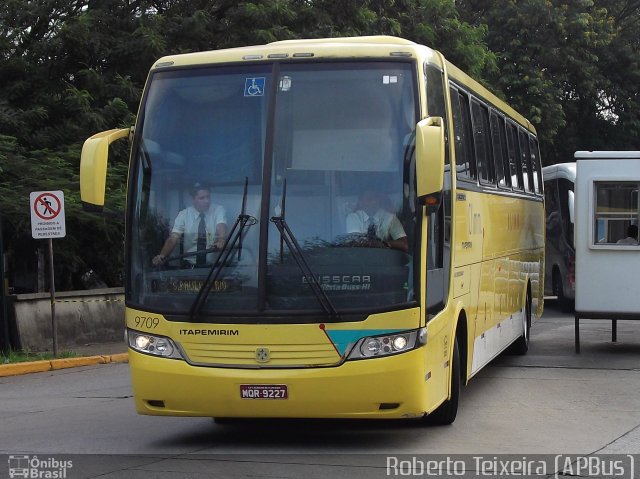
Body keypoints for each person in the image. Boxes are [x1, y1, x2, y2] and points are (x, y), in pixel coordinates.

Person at [152, 183, 228, 266]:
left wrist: (221, 239)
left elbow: (221, 225)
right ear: (193, 199)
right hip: (189, 268)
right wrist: (162, 256)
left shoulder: (218, 210)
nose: (207, 201)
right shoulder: (184, 215)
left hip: (215, 269)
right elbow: (173, 238)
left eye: (208, 197)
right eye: (202, 198)